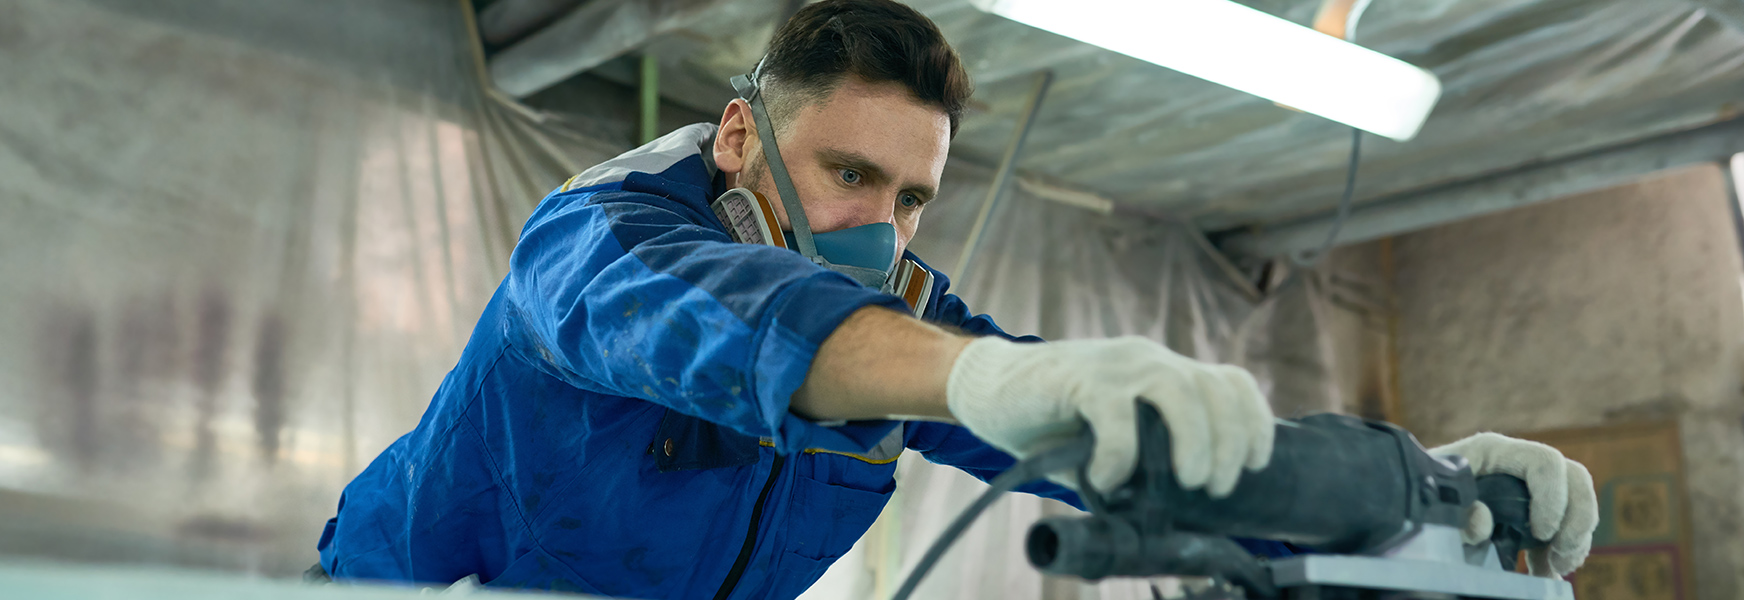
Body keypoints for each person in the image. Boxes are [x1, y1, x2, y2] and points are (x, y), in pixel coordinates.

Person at [314, 1, 1597, 597]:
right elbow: (723, 321)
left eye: (912, 196)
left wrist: (1412, 493)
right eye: (848, 173)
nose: (879, 226)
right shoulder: (594, 243)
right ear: (737, 141)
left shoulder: (901, 329)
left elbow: (1104, 450)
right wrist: (975, 376)